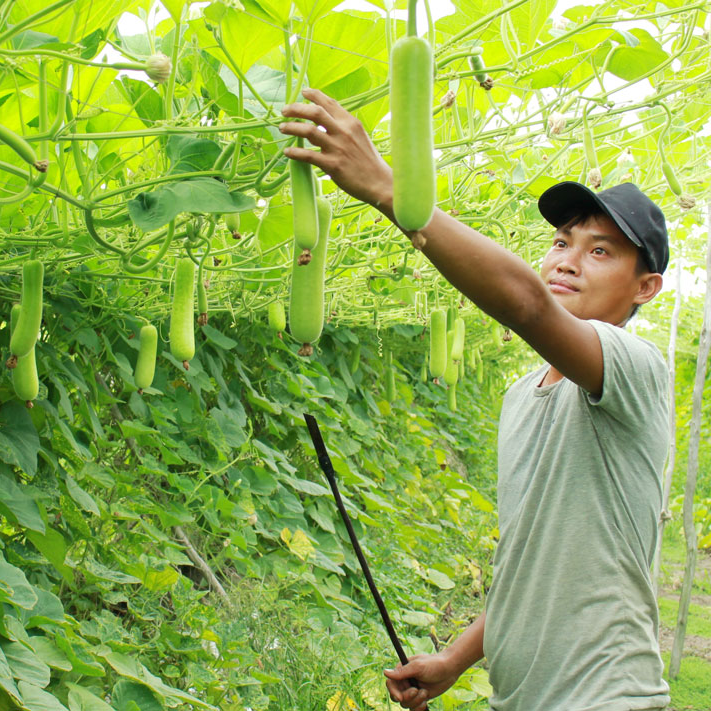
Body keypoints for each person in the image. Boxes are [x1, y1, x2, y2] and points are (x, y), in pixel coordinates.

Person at [279, 88, 672, 711]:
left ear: (645, 288)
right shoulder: (523, 396)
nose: (568, 261)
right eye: (562, 243)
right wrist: (455, 662)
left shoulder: (634, 369)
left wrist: (389, 188)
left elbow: (526, 303)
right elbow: (534, 565)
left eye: (600, 251)